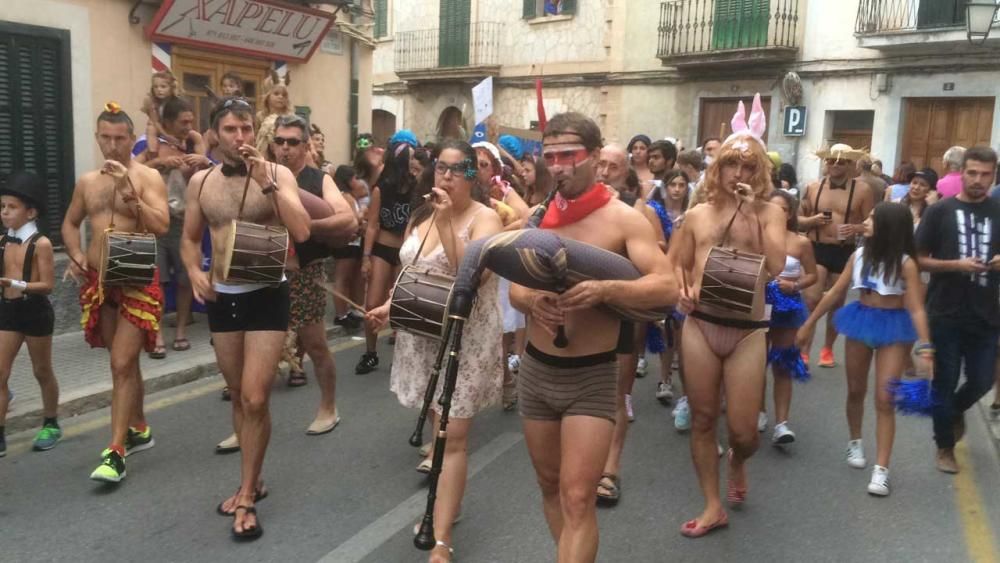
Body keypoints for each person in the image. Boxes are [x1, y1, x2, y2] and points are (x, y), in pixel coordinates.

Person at [510, 112, 675, 561]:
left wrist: (607, 288)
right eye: (551, 157)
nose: (558, 166)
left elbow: (666, 286)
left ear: (596, 158)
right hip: (537, 371)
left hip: (592, 376)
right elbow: (516, 285)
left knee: (579, 497)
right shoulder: (539, 217)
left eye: (569, 156)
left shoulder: (625, 220)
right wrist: (531, 302)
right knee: (549, 486)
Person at [180, 96, 310, 539]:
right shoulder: (200, 182)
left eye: (248, 129)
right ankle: (252, 476)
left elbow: (303, 228)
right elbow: (188, 239)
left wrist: (265, 182)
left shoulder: (278, 173)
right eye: (232, 130)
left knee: (256, 397)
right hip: (223, 298)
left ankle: (248, 495)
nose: (241, 138)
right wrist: (194, 270)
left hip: (267, 295)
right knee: (238, 396)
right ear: (215, 134)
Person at [367, 140, 503, 562]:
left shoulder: (487, 220)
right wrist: (388, 307)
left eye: (458, 168)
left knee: (453, 436)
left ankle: (440, 536)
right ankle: (450, 501)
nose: (446, 176)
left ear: (473, 175)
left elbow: (472, 277)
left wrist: (446, 223)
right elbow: (412, 272)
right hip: (421, 334)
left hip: (465, 339)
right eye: (440, 168)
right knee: (435, 423)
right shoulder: (421, 215)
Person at [666, 96, 785, 537]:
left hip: (747, 332)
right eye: (733, 164)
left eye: (750, 166)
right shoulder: (696, 215)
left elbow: (774, 266)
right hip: (700, 325)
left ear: (761, 172)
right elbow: (673, 264)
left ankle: (737, 459)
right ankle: (712, 505)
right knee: (701, 418)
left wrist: (752, 210)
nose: (740, 173)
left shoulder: (771, 212)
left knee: (744, 433)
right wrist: (681, 290)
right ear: (718, 168)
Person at [62, 103, 170, 482]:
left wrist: (129, 191)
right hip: (99, 281)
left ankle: (116, 451)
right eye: (105, 138)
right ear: (97, 138)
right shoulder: (88, 182)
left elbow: (162, 225)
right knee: (123, 363)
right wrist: (75, 255)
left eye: (119, 138)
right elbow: (70, 223)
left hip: (137, 281)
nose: (112, 145)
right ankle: (139, 426)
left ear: (131, 138)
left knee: (122, 364)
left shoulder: (148, 177)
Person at [799, 203, 932, 495]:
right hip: (861, 321)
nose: (866, 221)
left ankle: (881, 470)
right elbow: (835, 292)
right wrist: (808, 324)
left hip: (894, 327)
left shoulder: (906, 263)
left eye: (872, 218)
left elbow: (916, 308)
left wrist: (925, 347)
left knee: (885, 399)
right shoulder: (858, 255)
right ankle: (855, 442)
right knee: (856, 390)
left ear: (887, 226)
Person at [914, 146, 1000, 474]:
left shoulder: (999, 210)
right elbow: (918, 258)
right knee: (944, 382)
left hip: (986, 314)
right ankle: (944, 446)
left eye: (985, 174)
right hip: (944, 311)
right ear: (961, 172)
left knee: (980, 381)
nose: (978, 180)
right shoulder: (940, 211)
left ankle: (952, 412)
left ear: (994, 176)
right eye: (972, 173)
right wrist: (955, 264)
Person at [271, 114, 356, 431]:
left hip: (304, 273)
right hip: (265, 274)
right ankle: (246, 423)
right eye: (279, 141)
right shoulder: (262, 174)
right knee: (255, 352)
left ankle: (328, 407)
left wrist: (307, 226)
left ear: (306, 146)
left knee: (316, 346)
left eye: (293, 142)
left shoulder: (318, 179)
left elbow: (346, 219)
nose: (285, 148)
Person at [134, 96, 211, 359]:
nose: (188, 126)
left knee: (184, 279)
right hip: (154, 224)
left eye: (191, 121)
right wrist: (161, 164)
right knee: (155, 280)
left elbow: (204, 180)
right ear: (167, 122)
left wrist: (197, 166)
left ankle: (180, 332)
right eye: (183, 122)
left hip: (182, 222)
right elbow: (133, 170)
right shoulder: (153, 147)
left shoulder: (193, 145)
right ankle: (156, 335)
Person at [798, 144, 875, 367]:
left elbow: (872, 222)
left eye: (840, 161)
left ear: (850, 165)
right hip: (817, 247)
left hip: (844, 251)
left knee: (836, 303)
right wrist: (813, 221)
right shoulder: (813, 187)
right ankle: (804, 350)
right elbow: (797, 220)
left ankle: (828, 349)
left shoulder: (863, 190)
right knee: (812, 299)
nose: (834, 165)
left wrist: (856, 229)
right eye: (831, 161)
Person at [0, 171, 59, 457]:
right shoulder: (3, 241)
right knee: (0, 373)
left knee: (42, 370)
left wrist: (17, 284)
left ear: (31, 211)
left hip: (35, 312)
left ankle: (51, 422)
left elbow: (47, 286)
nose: (5, 212)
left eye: (11, 207)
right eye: (2, 207)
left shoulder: (42, 244)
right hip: (8, 312)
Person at [357, 131, 419, 374]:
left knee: (402, 305)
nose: (414, 163)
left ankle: (401, 356)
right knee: (372, 303)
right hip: (383, 248)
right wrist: (366, 258)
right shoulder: (381, 189)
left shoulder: (417, 187)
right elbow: (372, 225)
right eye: (411, 158)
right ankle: (370, 352)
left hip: (405, 251)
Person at [760, 189, 817, 446]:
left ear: (791, 213)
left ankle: (781, 423)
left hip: (788, 306)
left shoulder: (801, 242)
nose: (776, 213)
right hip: (759, 305)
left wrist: (794, 286)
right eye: (771, 208)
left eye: (782, 209)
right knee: (754, 363)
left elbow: (813, 275)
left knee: (783, 364)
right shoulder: (756, 237)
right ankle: (757, 412)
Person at [331, 165, 368, 329]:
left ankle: (345, 312)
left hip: (351, 242)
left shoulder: (345, 196)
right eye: (354, 178)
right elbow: (354, 219)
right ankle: (341, 314)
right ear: (347, 180)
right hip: (348, 242)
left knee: (346, 278)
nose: (357, 181)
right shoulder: (346, 197)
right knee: (342, 278)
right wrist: (364, 213)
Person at [254, 71, 294, 155]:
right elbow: (255, 136)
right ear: (268, 96)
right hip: (264, 153)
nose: (280, 97)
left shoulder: (290, 117)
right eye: (276, 94)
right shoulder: (260, 116)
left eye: (284, 95)